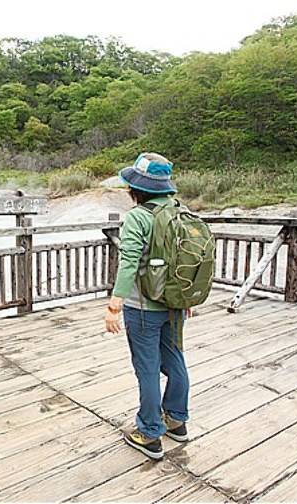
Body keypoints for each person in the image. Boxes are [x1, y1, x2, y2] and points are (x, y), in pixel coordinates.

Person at [104, 152, 190, 460]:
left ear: (136, 188)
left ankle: (150, 433)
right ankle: (176, 421)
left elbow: (129, 265)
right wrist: (184, 297)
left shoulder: (138, 217)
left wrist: (114, 305)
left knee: (148, 369)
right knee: (175, 359)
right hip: (175, 305)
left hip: (142, 308)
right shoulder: (181, 211)